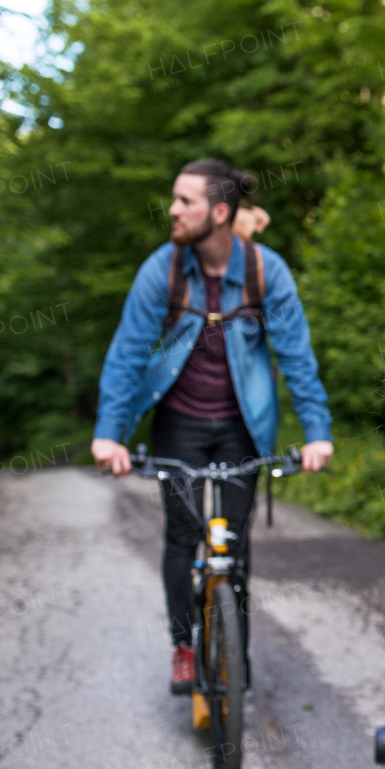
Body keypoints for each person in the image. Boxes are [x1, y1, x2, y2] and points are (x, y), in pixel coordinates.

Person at [92, 159, 334, 694]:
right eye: (173, 200)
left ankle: (233, 652)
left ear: (220, 212)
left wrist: (317, 431)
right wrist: (110, 432)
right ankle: (184, 646)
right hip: (177, 422)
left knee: (235, 545)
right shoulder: (165, 268)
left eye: (185, 201)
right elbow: (129, 351)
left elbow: (296, 356)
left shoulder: (266, 271)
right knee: (183, 537)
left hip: (242, 427)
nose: (172, 210)